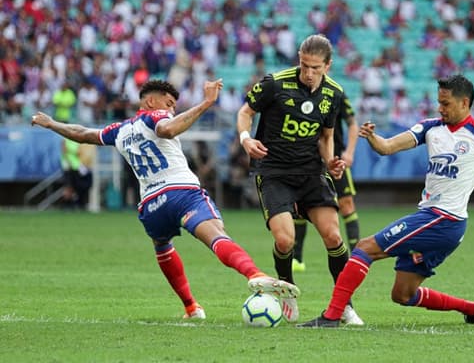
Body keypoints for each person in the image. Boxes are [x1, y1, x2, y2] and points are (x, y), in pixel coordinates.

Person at [298, 74, 474, 328]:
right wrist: (373, 138)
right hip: (441, 223)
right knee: (402, 294)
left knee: (364, 248)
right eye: (438, 102)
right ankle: (470, 309)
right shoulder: (430, 128)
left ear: (464, 102)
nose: (440, 109)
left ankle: (332, 316)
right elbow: (387, 148)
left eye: (445, 103)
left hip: (443, 219)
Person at [32, 79, 299, 320]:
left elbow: (83, 133)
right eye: (169, 103)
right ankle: (255, 274)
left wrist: (52, 123)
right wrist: (205, 103)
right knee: (216, 234)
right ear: (151, 101)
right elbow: (168, 129)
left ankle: (191, 308)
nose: (170, 109)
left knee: (162, 246)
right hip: (181, 192)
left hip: (151, 204)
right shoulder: (154, 116)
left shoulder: (119, 130)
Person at [236, 34, 363, 325]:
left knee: (333, 236)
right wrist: (245, 139)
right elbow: (245, 112)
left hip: (310, 172)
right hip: (274, 172)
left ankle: (343, 305)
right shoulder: (275, 83)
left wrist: (331, 161)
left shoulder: (334, 93)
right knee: (285, 239)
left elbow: (326, 136)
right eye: (304, 65)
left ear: (328, 66)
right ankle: (286, 289)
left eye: (315, 68)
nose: (308, 73)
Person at [293, 93, 361, 272]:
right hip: (307, 160)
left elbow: (353, 124)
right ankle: (296, 258)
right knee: (299, 209)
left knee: (346, 205)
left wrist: (350, 152)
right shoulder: (296, 93)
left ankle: (356, 257)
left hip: (335, 158)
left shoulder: (335, 94)